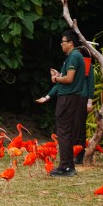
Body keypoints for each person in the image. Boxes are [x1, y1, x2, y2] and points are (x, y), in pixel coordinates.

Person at [36, 30, 85, 177]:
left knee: (63, 132)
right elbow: (68, 78)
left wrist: (56, 78)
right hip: (71, 97)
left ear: (70, 43)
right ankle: (69, 166)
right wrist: (59, 76)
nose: (61, 44)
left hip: (68, 98)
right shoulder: (74, 56)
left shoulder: (74, 56)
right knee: (66, 132)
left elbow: (69, 79)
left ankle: (65, 167)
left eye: (63, 42)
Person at [73, 46, 95, 164]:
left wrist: (89, 101)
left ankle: (79, 154)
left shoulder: (87, 65)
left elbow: (91, 83)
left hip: (82, 97)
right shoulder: (71, 64)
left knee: (79, 126)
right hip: (72, 97)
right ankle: (72, 152)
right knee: (72, 125)